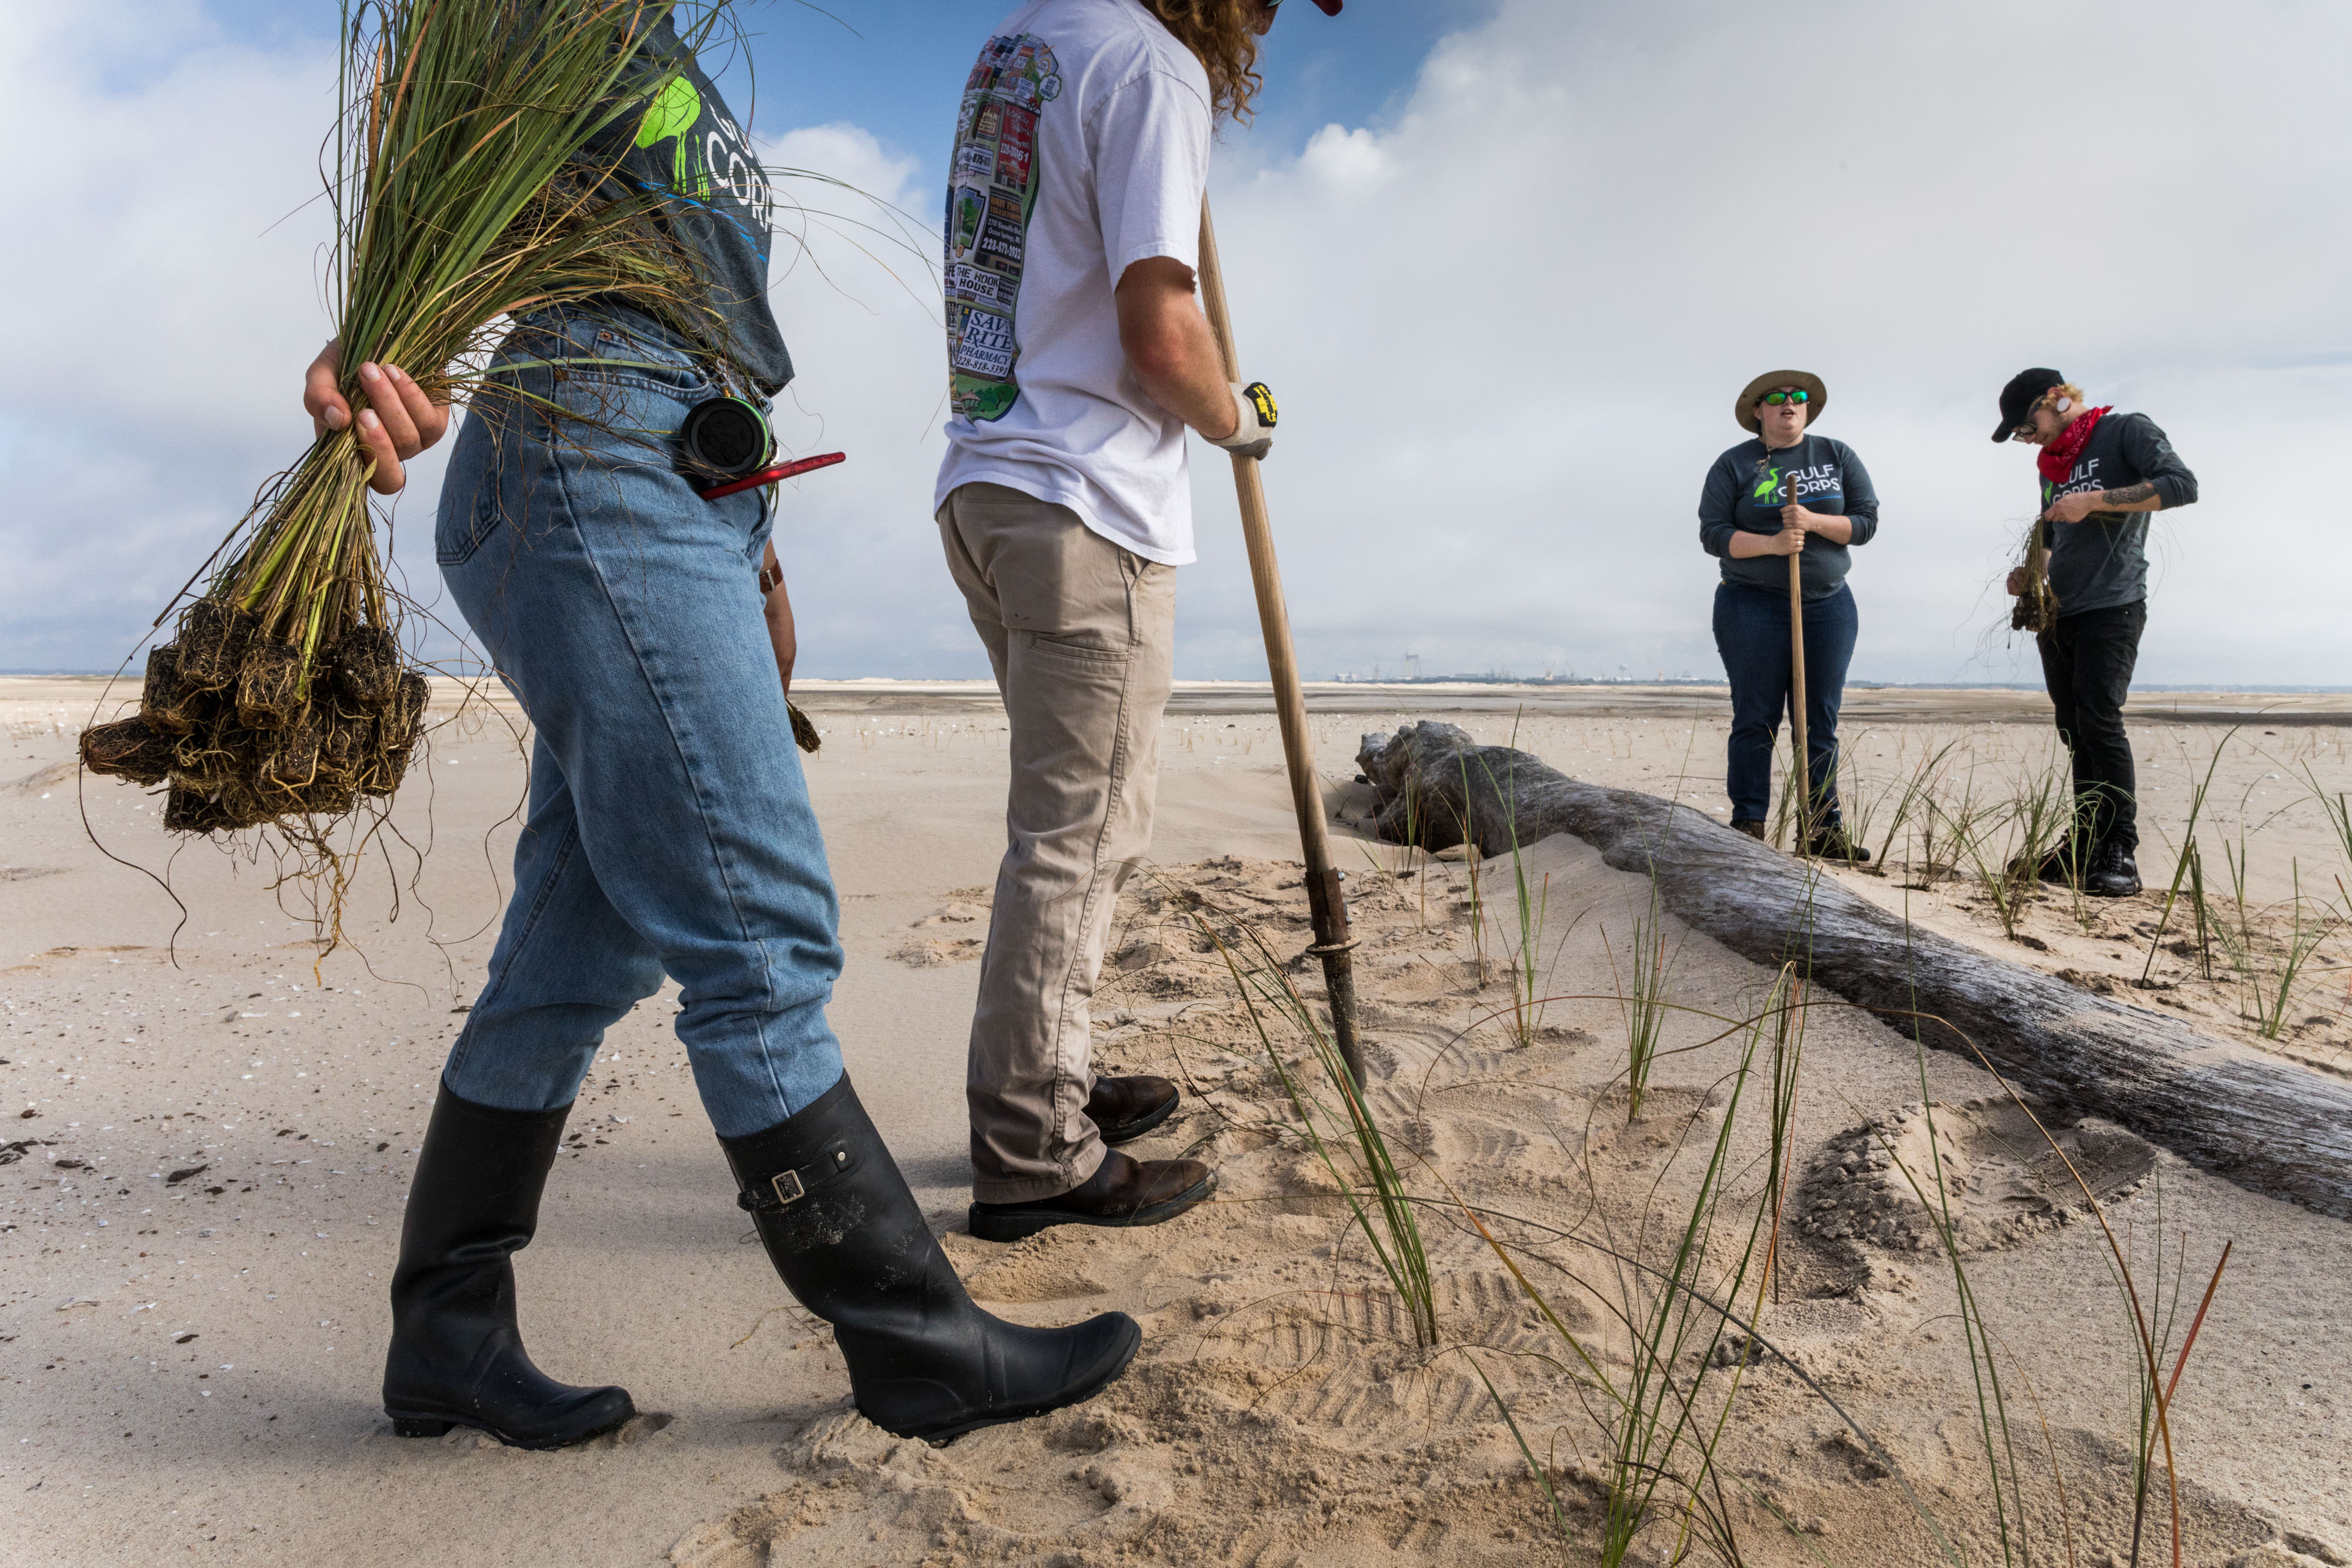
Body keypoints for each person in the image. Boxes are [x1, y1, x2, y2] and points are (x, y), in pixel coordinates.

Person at [305, 12, 1137, 1450]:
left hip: (672, 474)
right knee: (758, 935)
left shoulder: (654, 52)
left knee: (584, 938)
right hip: (595, 447)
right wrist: (363, 358)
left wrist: (749, 549)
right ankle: (913, 1341)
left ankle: (446, 1327)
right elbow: (408, 234)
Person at [934, 0, 1338, 1242]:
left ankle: (1052, 1068)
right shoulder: (1149, 68)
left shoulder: (1024, 43)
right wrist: (1236, 417)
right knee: (1080, 831)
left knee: (1082, 820)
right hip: (1085, 500)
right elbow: (1160, 333)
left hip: (989, 483)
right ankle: (1033, 1148)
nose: (1266, 21)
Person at [1993, 369, 2199, 898]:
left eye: (2027, 425)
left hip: (2115, 603)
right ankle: (2085, 842)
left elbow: (2182, 485)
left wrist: (2097, 500)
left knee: (2100, 719)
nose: (2027, 438)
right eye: (2019, 434)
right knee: (2073, 726)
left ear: (2058, 399)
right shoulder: (2050, 465)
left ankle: (2120, 849)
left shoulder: (2126, 431)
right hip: (2059, 611)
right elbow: (2052, 534)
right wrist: (2030, 576)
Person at [1697, 370, 1879, 860]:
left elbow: (1865, 523)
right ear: (1758, 411)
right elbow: (1713, 533)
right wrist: (1774, 544)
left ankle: (1822, 830)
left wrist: (1813, 521)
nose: (1789, 405)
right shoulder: (1734, 465)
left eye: (1797, 398)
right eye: (1776, 399)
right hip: (1751, 603)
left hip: (1827, 603)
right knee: (1756, 717)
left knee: (1817, 718)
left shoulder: (1836, 455)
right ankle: (1748, 825)